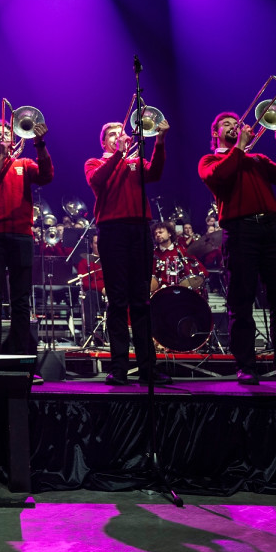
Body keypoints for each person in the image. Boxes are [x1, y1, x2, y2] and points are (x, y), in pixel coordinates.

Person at [199, 111, 276, 386]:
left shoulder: (257, 159)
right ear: (215, 134)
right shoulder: (210, 160)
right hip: (240, 230)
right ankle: (246, 366)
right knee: (240, 301)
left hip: (273, 228)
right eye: (226, 125)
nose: (234, 126)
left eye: (235, 123)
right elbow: (219, 176)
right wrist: (239, 146)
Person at [85, 119, 170, 386]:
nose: (118, 137)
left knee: (142, 302)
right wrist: (120, 153)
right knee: (118, 302)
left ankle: (148, 368)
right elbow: (97, 181)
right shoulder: (95, 163)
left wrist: (159, 141)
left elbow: (155, 173)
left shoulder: (137, 163)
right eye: (112, 134)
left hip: (139, 231)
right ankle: (119, 367)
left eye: (120, 133)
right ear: (103, 142)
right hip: (112, 231)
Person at [0, 116, 52, 357]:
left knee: (21, 300)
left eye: (8, 133)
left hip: (21, 236)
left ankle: (20, 357)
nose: (5, 137)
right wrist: (3, 158)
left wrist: (40, 144)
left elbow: (47, 176)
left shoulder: (25, 163)